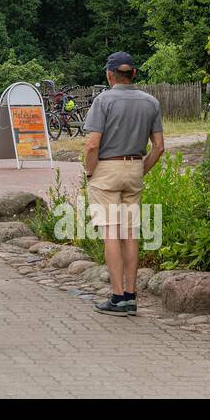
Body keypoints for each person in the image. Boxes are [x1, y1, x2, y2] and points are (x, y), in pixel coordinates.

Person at [83, 51, 164, 317]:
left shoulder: (103, 100)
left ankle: (117, 298)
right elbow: (159, 147)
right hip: (134, 168)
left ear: (109, 75)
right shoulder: (150, 102)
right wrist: (142, 169)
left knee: (111, 234)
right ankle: (131, 295)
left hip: (108, 168)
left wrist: (90, 171)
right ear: (134, 74)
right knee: (131, 234)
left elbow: (93, 143)